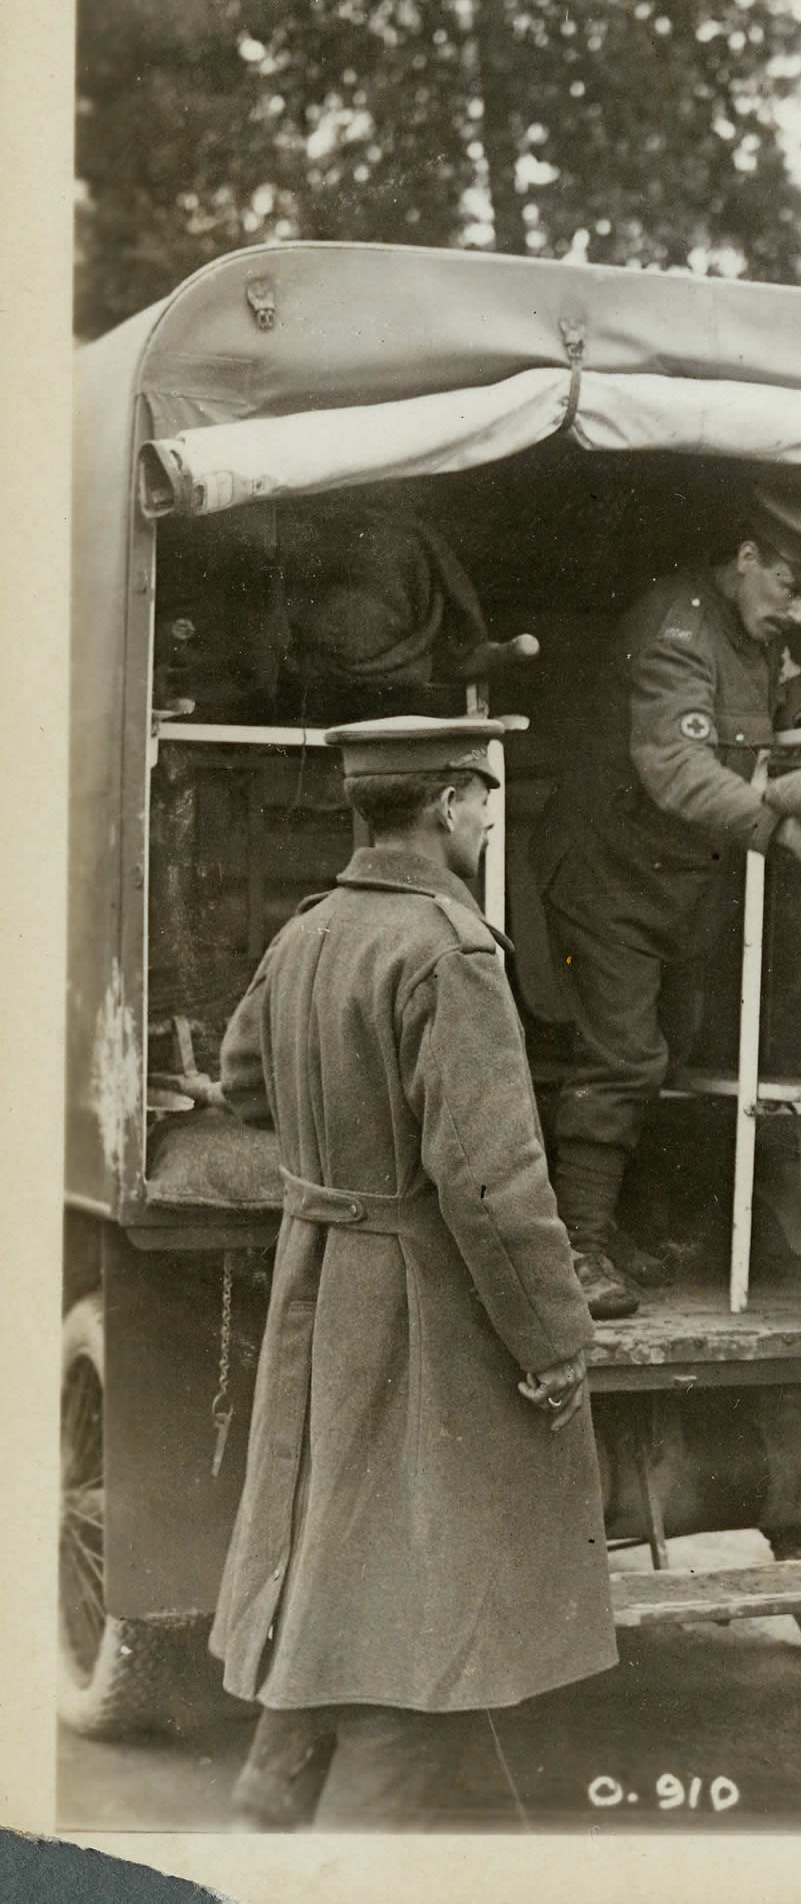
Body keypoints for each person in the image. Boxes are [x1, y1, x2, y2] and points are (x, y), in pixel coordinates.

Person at [211, 715, 612, 1830]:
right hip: (422, 1301)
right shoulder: (450, 945)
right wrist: (553, 1342)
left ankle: (265, 1806)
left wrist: (338, 1151)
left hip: (319, 1276)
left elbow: (247, 1082)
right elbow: (489, 1178)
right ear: (446, 806)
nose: (489, 818)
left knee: (333, 1548)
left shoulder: (309, 930)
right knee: (425, 1611)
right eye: (484, 798)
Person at [539, 484, 801, 1317]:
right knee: (621, 1056)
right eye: (789, 586)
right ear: (748, 557)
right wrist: (777, 830)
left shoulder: (752, 628)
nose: (796, 612)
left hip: (682, 882)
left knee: (673, 1048)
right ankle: (571, 1250)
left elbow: (781, 683)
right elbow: (676, 770)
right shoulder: (677, 632)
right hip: (609, 875)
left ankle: (608, 1225)